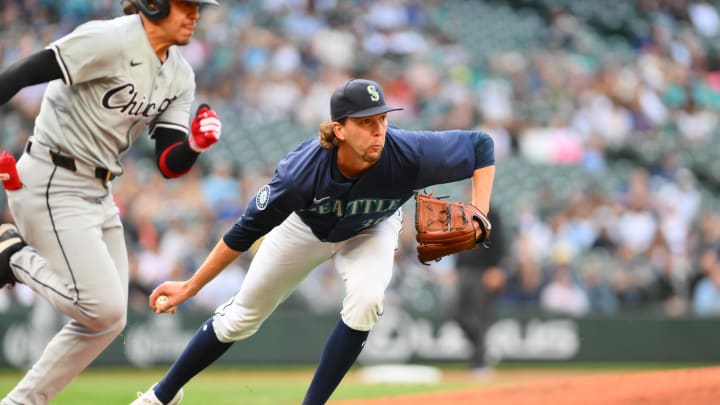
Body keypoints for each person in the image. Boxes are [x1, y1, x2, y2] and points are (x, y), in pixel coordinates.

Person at [133, 78, 496, 405]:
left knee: (367, 300)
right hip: (304, 229)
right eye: (366, 122)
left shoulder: (408, 152)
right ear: (339, 129)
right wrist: (191, 286)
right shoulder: (300, 175)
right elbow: (243, 232)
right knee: (239, 319)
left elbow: (481, 146)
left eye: (382, 119)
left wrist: (479, 209)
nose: (378, 130)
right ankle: (162, 395)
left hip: (371, 228)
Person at [0, 0, 221, 403]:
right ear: (153, 5)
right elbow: (24, 72)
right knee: (99, 308)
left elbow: (170, 164)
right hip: (52, 177)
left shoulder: (179, 74)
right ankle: (12, 257)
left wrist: (194, 144)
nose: (195, 14)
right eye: (185, 5)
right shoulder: (108, 38)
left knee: (109, 319)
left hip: (99, 192)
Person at [452, 204, 506, 378]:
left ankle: (480, 362)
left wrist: (496, 268)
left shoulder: (492, 212)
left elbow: (499, 241)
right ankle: (481, 348)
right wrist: (456, 267)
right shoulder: (463, 210)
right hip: (464, 270)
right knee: (454, 310)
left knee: (481, 315)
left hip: (484, 271)